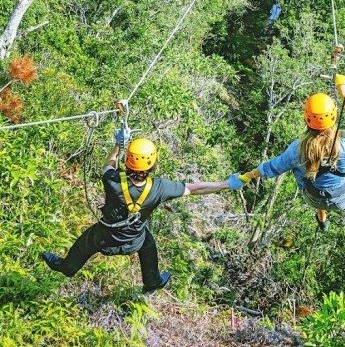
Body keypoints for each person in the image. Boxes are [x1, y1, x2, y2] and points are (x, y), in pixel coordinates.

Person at [41, 110, 249, 292]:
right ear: (153, 164)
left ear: (127, 161)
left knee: (84, 242)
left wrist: (118, 145)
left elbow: (109, 164)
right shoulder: (159, 188)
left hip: (104, 239)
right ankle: (152, 281)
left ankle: (67, 267)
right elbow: (194, 188)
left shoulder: (112, 181)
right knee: (148, 244)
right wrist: (226, 184)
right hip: (133, 242)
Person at [230, 70, 345, 232]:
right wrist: (342, 89)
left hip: (313, 198)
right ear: (333, 116)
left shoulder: (298, 149)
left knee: (302, 169)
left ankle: (322, 216)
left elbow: (272, 167)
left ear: (306, 118)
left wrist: (246, 176)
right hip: (344, 197)